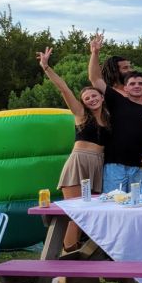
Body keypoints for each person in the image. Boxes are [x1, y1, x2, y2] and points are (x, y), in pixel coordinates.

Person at [38, 47, 109, 251]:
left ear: (102, 97)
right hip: (79, 162)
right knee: (76, 213)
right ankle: (66, 253)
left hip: (97, 165)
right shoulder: (80, 115)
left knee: (89, 214)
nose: (91, 99)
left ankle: (78, 252)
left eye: (94, 95)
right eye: (87, 98)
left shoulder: (109, 119)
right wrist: (46, 67)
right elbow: (64, 89)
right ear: (83, 103)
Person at [88, 32, 142, 193]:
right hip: (116, 163)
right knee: (114, 203)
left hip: (140, 164)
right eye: (125, 68)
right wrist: (95, 53)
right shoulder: (113, 96)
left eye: (140, 83)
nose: (130, 70)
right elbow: (95, 78)